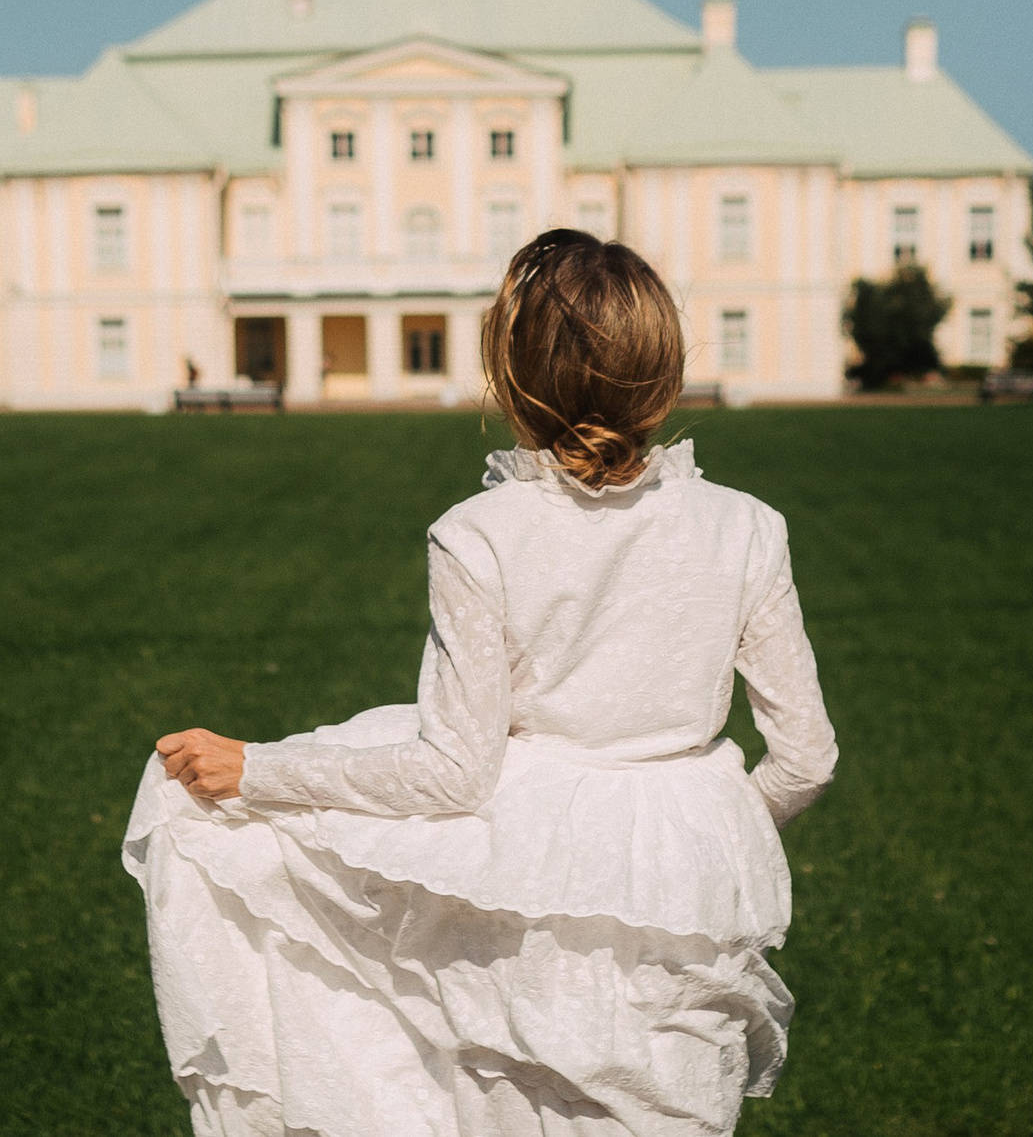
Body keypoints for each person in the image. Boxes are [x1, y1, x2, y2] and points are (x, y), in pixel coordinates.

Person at [127, 230, 838, 1137]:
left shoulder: (481, 533)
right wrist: (700, 830)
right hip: (686, 919)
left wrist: (259, 772)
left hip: (521, 919)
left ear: (509, 377)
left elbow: (452, 774)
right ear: (665, 372)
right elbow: (806, 758)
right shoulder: (746, 527)